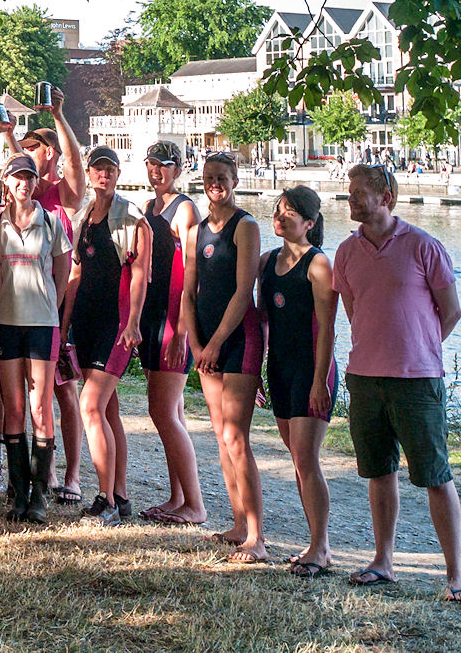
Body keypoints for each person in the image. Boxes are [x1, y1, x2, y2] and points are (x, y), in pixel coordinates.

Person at [335, 164, 461, 602]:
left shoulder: (423, 246)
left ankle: (455, 575)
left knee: (434, 474)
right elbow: (354, 312)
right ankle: (384, 561)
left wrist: (418, 348)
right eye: (350, 192)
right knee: (379, 471)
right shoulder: (347, 252)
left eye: (359, 193)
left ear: (386, 198)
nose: (351, 199)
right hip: (365, 379)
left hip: (417, 381)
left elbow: (451, 313)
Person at [180, 152, 266, 563]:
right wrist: (195, 344)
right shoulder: (196, 230)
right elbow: (188, 291)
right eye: (209, 177)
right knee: (220, 436)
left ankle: (257, 536)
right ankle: (236, 523)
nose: (216, 183)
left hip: (238, 338)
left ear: (235, 179)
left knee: (236, 436)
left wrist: (214, 343)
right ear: (202, 180)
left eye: (223, 177)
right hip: (207, 343)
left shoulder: (245, 226)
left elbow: (243, 291)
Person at [59, 146, 150, 528]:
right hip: (87, 323)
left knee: (90, 406)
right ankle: (122, 496)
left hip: (117, 325)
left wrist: (133, 323)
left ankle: (106, 500)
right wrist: (64, 326)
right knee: (108, 412)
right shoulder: (84, 217)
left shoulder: (132, 218)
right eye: (97, 169)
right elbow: (76, 275)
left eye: (109, 169)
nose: (102, 176)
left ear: (117, 173)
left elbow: (142, 273)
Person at [0, 155, 71, 522]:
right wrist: (3, 301)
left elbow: (64, 272)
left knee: (40, 408)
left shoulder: (50, 222)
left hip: (42, 324)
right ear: (6, 182)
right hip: (5, 321)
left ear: (35, 183)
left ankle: (39, 494)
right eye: (17, 177)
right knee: (13, 408)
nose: (23, 183)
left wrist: (51, 305)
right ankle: (17, 493)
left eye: (29, 177)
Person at [260, 186, 338, 578]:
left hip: (312, 370)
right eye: (278, 210)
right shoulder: (268, 261)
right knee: (296, 458)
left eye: (290, 212)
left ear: (309, 223)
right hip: (280, 369)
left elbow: (327, 329)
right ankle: (314, 542)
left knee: (306, 458)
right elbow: (260, 320)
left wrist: (320, 382)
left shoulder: (318, 265)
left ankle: (320, 548)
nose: (281, 216)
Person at [18, 96, 86, 506]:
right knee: (34, 391)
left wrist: (59, 115)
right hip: (26, 304)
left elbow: (76, 164)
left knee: (65, 392)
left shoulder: (63, 195)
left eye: (35, 147)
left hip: (60, 304)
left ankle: (74, 475)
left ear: (51, 153)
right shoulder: (24, 196)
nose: (28, 153)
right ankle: (50, 468)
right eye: (25, 148)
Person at [135, 141, 206, 526]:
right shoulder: (150, 208)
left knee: (162, 410)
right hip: (151, 315)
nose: (155, 171)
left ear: (176, 169)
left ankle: (195, 504)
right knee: (171, 411)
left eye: (162, 166)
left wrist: (182, 330)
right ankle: (178, 496)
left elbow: (191, 273)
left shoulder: (185, 209)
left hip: (172, 320)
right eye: (150, 165)